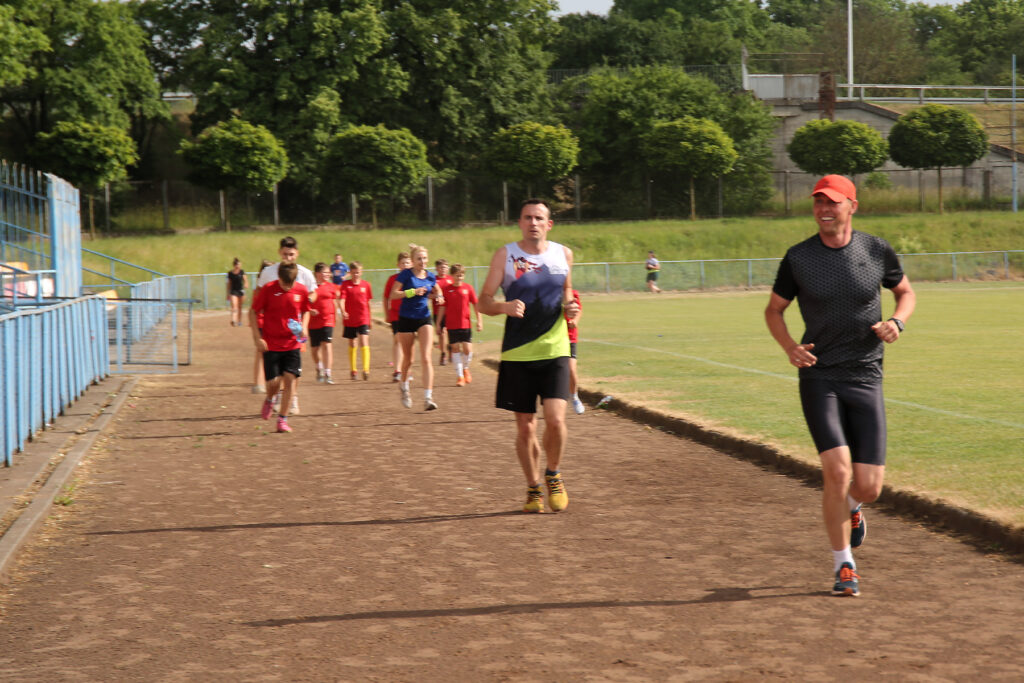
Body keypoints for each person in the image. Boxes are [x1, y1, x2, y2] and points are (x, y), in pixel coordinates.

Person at [765, 174, 916, 598]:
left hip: (866, 374)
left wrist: (897, 321)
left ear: (852, 205)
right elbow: (774, 311)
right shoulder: (799, 258)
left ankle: (852, 508)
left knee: (868, 486)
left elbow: (905, 292)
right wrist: (790, 347)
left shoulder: (875, 249)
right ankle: (843, 564)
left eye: (832, 203)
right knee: (837, 472)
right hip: (820, 375)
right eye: (818, 203)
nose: (824, 210)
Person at [478, 199, 579, 514]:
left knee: (556, 419)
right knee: (524, 426)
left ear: (549, 224)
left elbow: (567, 296)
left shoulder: (563, 254)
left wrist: (573, 308)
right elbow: (483, 301)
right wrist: (503, 307)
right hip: (518, 351)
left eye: (539, 218)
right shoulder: (505, 255)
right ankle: (533, 487)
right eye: (527, 218)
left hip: (555, 348)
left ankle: (554, 475)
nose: (533, 222)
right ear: (519, 223)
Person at [256, 236, 317, 414]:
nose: (288, 257)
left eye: (291, 254)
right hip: (273, 327)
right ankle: (276, 395)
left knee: (292, 368)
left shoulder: (305, 273)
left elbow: (313, 294)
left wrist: (305, 305)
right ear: (279, 252)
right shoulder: (269, 272)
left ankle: (292, 397)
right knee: (277, 371)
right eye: (285, 254)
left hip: (296, 328)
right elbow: (259, 294)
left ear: (297, 253)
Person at [249, 263, 311, 434]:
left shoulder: (301, 290)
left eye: (291, 284)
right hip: (271, 344)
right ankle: (270, 398)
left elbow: (306, 310)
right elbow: (253, 312)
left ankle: (282, 419)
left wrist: (304, 327)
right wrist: (257, 338)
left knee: (290, 379)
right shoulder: (268, 290)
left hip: (292, 343)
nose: (288, 287)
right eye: (285, 283)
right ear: (279, 278)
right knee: (274, 383)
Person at [389, 244, 443, 411]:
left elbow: (437, 288)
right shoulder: (406, 274)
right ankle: (404, 388)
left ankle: (428, 398)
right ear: (412, 261)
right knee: (408, 360)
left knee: (426, 357)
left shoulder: (431, 276)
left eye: (425, 258)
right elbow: (393, 294)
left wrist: (439, 296)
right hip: (406, 319)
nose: (422, 261)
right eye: (419, 258)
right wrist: (412, 292)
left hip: (423, 318)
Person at [437, 263, 482, 386]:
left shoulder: (468, 288)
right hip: (451, 325)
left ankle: (466, 368)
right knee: (455, 349)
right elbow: (442, 308)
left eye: (461, 275)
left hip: (466, 324)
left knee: (467, 349)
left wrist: (479, 321)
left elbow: (476, 305)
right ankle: (460, 377)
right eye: (457, 275)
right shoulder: (447, 289)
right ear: (451, 275)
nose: (459, 278)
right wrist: (438, 324)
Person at [339, 261, 373, 380]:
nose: (356, 275)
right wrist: (343, 311)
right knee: (352, 343)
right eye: (353, 273)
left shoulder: (366, 285)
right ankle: (353, 370)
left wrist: (370, 319)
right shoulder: (345, 285)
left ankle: (366, 370)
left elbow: (368, 303)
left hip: (363, 318)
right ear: (350, 273)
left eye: (358, 272)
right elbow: (342, 300)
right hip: (350, 320)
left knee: (364, 341)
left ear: (361, 272)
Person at [383, 252, 412, 382]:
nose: (405, 265)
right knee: (398, 339)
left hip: (411, 314)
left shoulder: (413, 279)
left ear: (411, 264)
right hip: (396, 314)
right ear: (398, 265)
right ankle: (398, 370)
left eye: (407, 262)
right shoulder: (393, 279)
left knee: (408, 343)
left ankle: (407, 370)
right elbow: (386, 297)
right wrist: (387, 313)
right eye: (403, 263)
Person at [309, 262, 340, 384]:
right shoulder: (311, 287)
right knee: (315, 349)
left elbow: (335, 301)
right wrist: (310, 310)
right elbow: (304, 303)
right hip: (313, 321)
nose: (327, 274)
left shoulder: (332, 286)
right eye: (324, 272)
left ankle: (328, 373)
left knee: (327, 345)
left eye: (328, 272)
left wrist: (336, 315)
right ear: (317, 273)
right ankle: (319, 367)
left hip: (328, 320)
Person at [250, 259, 274, 394]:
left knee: (266, 353)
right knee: (261, 352)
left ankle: (261, 382)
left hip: (269, 322)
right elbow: (256, 309)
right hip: (261, 322)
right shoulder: (261, 289)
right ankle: (258, 383)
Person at [566, 289, 585, 415]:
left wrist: (575, 322)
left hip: (569, 338)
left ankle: (574, 397)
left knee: (571, 370)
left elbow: (579, 310)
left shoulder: (571, 292)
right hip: (550, 338)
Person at [433, 259, 453, 366]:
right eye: (441, 267)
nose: (443, 269)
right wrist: (436, 296)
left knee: (449, 332)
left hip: (450, 311)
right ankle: (443, 353)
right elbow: (427, 295)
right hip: (437, 310)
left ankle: (450, 349)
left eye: (445, 267)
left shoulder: (451, 279)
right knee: (441, 333)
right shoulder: (434, 280)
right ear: (436, 268)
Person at [226, 258, 248, 326]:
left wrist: (246, 284)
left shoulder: (242, 272)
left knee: (240, 307)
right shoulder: (230, 273)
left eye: (239, 264)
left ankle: (239, 321)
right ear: (234, 265)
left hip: (241, 291)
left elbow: (245, 280)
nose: (238, 266)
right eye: (236, 264)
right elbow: (229, 284)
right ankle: (233, 320)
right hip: (233, 291)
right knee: (234, 306)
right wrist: (227, 293)